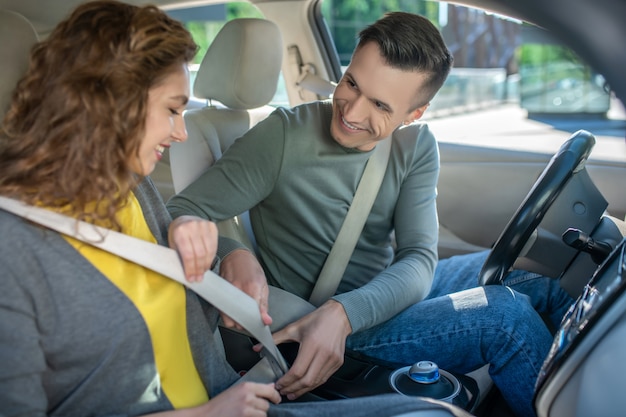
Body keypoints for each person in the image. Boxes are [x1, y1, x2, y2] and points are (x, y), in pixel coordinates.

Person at [0, 2, 478, 417]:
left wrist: (229, 254)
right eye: (172, 110)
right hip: (234, 393)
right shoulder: (16, 251)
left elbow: (185, 233)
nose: (182, 131)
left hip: (239, 394)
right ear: (111, 105)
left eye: (378, 104)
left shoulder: (133, 189)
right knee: (500, 324)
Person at [167, 11, 574, 417]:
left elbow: (418, 256)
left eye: (380, 104)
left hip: (369, 303)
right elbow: (183, 210)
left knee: (545, 271)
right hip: (317, 321)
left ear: (414, 114)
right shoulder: (282, 135)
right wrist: (235, 252)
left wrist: (346, 313)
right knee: (507, 317)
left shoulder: (415, 147)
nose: (352, 112)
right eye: (351, 83)